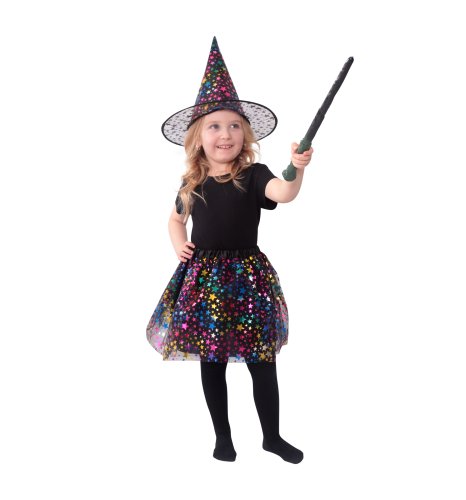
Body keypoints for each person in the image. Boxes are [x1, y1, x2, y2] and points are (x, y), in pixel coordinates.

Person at [146, 37, 313, 464]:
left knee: (262, 360)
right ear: (198, 138)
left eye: (235, 126)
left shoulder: (254, 174)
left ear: (246, 135)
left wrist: (297, 169)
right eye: (215, 126)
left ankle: (272, 436)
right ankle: (223, 437)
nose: (226, 134)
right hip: (204, 281)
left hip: (247, 279)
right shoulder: (192, 183)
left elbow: (284, 193)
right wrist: (179, 244)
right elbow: (174, 220)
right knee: (212, 360)